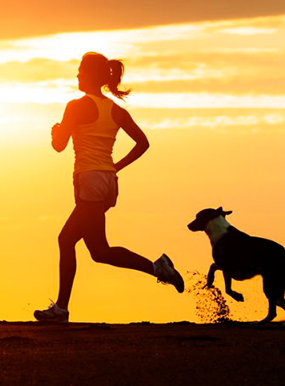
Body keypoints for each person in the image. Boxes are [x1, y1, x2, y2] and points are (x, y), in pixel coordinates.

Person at [34, 52, 184, 323]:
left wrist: (55, 132)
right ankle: (157, 268)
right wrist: (116, 166)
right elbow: (143, 143)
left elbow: (59, 146)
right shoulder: (116, 110)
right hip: (107, 183)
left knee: (68, 241)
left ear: (90, 74)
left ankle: (61, 309)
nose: (77, 75)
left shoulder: (75, 106)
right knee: (98, 251)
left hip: (89, 181)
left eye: (80, 70)